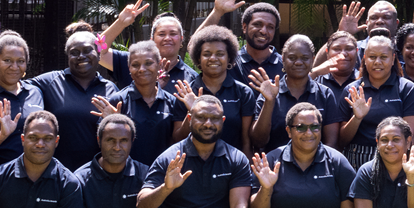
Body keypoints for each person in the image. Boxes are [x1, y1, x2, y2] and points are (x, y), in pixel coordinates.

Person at [28, 26, 118, 170]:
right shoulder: (49, 82)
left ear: (99, 54)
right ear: (67, 57)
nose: (81, 56)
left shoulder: (111, 89)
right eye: (74, 53)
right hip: (57, 175)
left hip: (97, 175)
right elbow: (14, 85)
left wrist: (115, 119)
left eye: (88, 50)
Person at [182, 25, 272, 154]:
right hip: (193, 163)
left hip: (232, 164)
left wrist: (246, 167)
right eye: (207, 54)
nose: (213, 58)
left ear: (229, 57)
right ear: (198, 58)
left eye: (220, 54)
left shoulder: (243, 92)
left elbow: (246, 140)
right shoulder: (187, 92)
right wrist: (191, 111)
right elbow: (177, 139)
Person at [97, 41, 189, 166]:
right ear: (129, 68)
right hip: (129, 176)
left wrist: (192, 113)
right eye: (135, 65)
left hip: (163, 173)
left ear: (159, 65)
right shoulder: (118, 101)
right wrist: (113, 123)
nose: (142, 69)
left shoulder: (172, 102)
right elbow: (103, 144)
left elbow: (178, 140)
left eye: (148, 63)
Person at [341, 35, 414, 168]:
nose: (377, 62)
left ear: (392, 59)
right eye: (372, 57)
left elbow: (411, 136)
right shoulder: (352, 90)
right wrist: (357, 118)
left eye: (383, 57)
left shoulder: (406, 88)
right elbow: (342, 140)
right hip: (358, 158)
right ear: (364, 59)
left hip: (395, 156)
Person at [0, 33, 46, 169]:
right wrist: (2, 135)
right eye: (7, 60)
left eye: (20, 61)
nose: (15, 67)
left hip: (35, 177)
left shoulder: (35, 92)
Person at [259, 36, 346, 150]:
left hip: (316, 164)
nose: (299, 62)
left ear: (312, 60)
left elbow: (331, 143)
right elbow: (259, 141)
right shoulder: (270, 92)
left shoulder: (325, 94)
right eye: (292, 57)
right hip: (276, 163)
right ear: (283, 59)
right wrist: (269, 102)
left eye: (305, 58)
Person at [97, 2, 194, 88]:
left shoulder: (192, 78)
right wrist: (120, 23)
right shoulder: (131, 62)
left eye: (173, 34)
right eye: (161, 34)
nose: (167, 38)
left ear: (181, 39)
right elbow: (98, 52)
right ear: (152, 40)